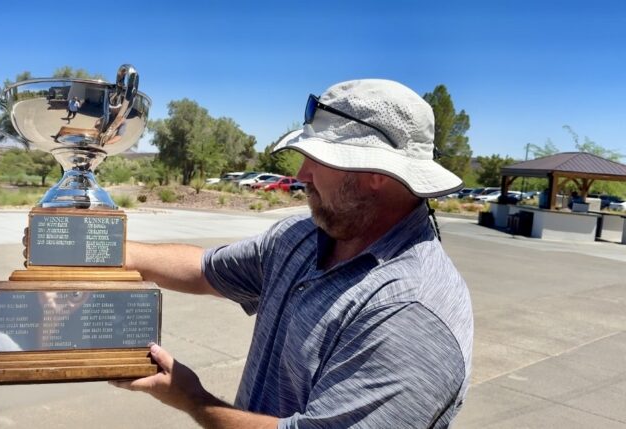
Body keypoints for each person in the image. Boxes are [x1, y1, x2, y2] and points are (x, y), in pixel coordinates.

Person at [113, 79, 473, 428]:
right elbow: (205, 269)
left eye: (318, 158)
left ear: (375, 173)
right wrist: (105, 252)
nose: (302, 174)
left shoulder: (411, 314)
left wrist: (192, 398)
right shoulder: (301, 237)